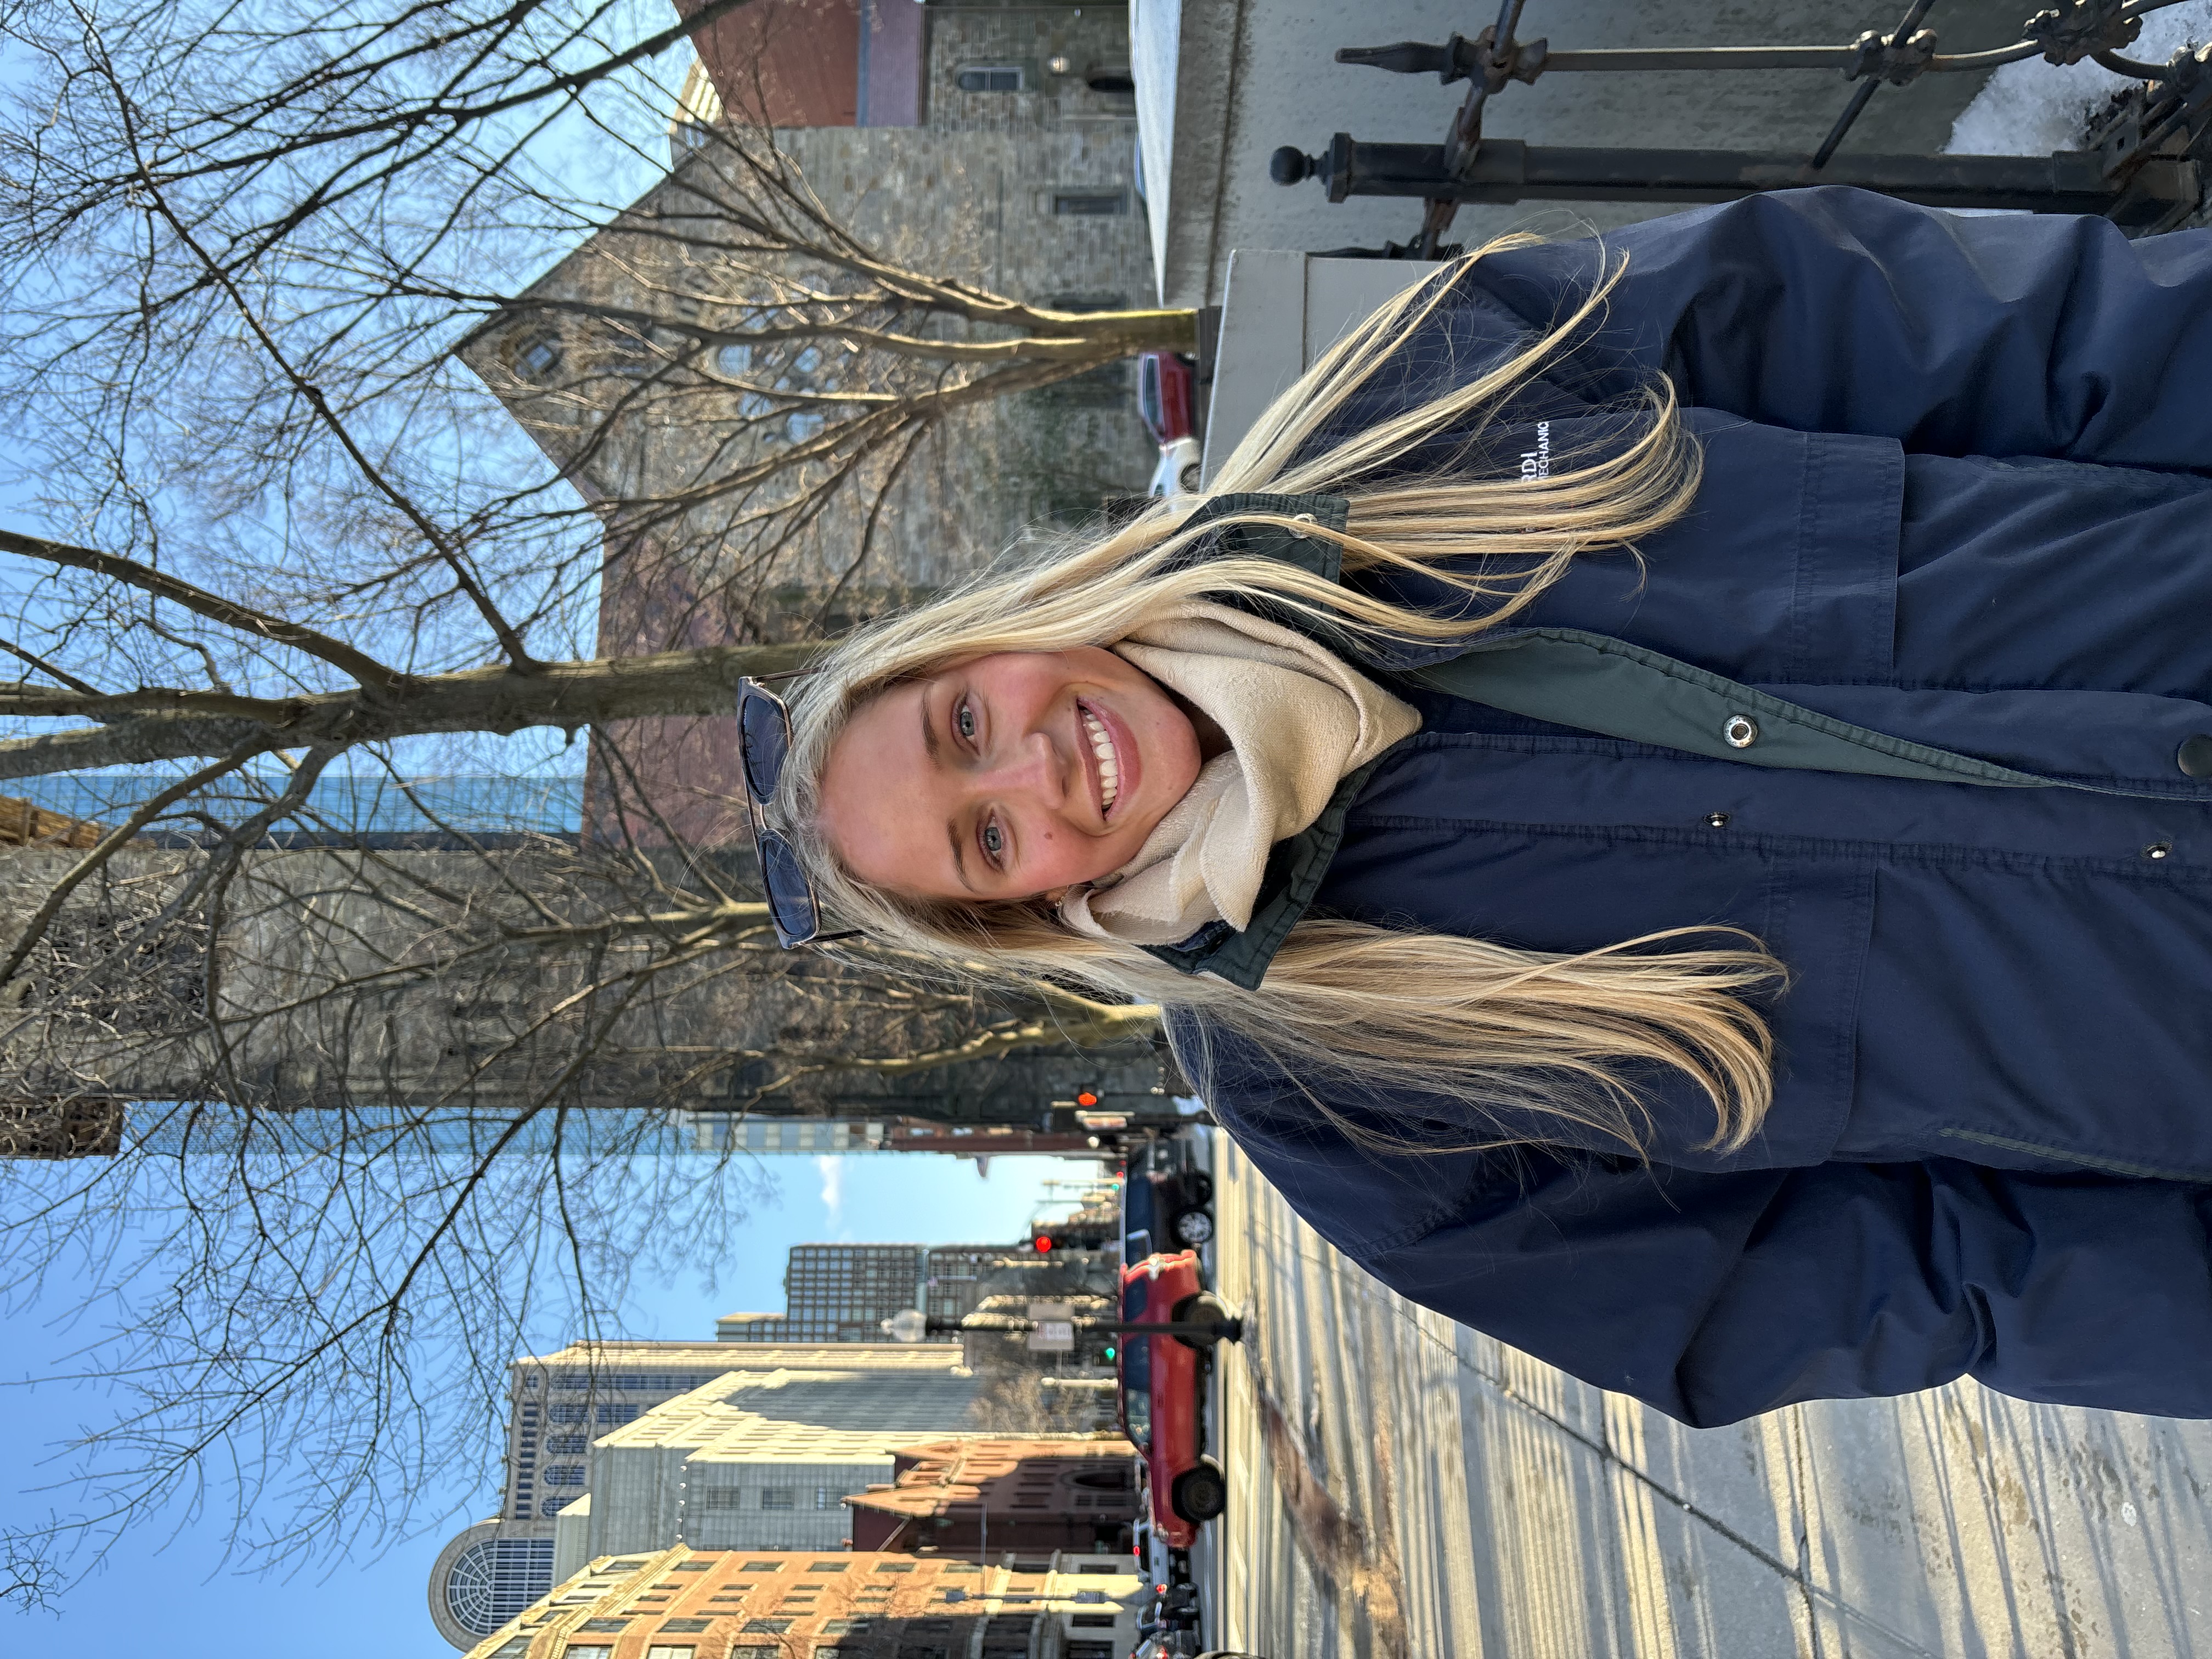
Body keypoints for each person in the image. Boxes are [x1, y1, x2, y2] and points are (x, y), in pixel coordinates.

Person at [742, 185, 2212, 1427]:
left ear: (991, 633)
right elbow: (1886, 1284)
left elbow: (1952, 329)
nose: (1032, 770)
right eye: (983, 839)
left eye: (962, 723)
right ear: (1024, 911)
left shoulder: (1427, 408)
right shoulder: (1329, 1101)